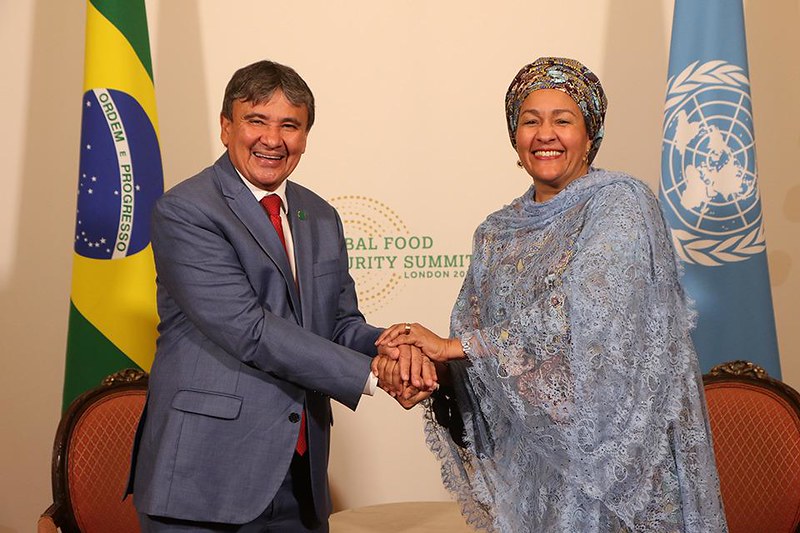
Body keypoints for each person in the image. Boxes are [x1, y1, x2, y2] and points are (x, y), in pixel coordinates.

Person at [374, 57, 728, 532]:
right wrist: (428, 368)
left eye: (563, 120)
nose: (545, 134)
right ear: (513, 137)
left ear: (589, 136)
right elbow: (475, 360)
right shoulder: (496, 234)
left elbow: (592, 310)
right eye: (530, 120)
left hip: (620, 471)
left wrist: (452, 347)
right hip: (536, 473)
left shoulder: (620, 202)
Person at [128, 59, 432, 532]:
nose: (273, 139)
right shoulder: (186, 211)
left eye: (290, 125)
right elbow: (250, 329)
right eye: (256, 120)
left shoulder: (320, 215)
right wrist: (373, 374)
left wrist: (393, 346)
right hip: (204, 480)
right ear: (226, 127)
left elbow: (339, 324)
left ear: (306, 136)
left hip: (299, 481)